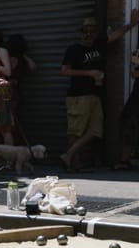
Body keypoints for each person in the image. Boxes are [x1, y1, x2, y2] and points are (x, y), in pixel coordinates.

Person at [59, 13, 138, 171]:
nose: (89, 34)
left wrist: (132, 24)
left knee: (96, 130)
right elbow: (65, 71)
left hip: (95, 94)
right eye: (86, 31)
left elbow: (116, 35)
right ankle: (74, 163)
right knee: (76, 130)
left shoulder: (99, 44)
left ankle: (68, 155)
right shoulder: (74, 50)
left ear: (96, 32)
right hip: (78, 95)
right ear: (81, 32)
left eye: (92, 31)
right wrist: (90, 73)